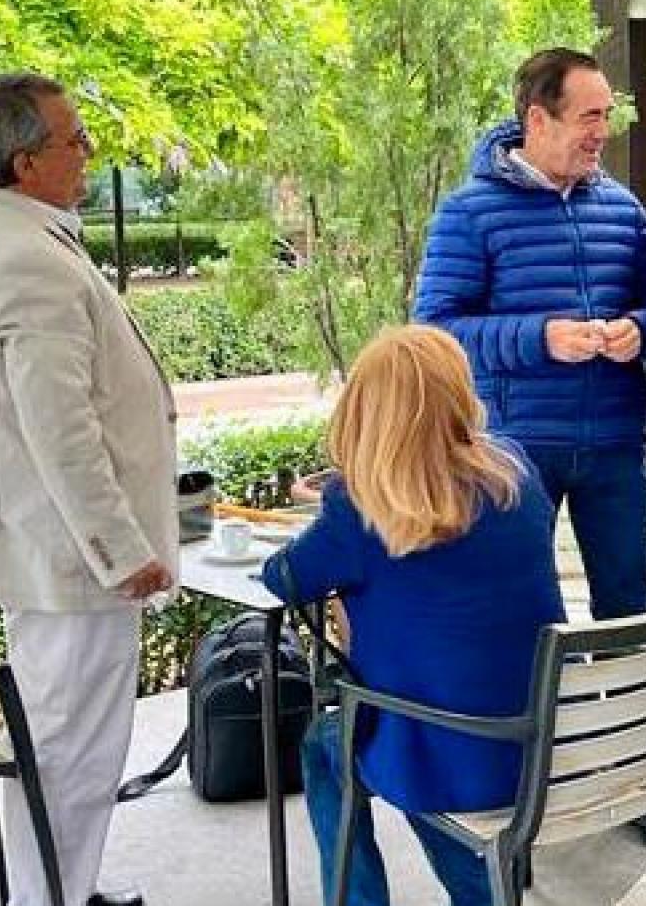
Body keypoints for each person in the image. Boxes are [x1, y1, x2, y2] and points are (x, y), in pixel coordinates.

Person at [412, 47, 646, 847]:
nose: (604, 131)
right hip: (514, 455)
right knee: (523, 620)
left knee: (628, 616)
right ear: (538, 119)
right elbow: (436, 330)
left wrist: (641, 332)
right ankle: (526, 784)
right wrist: (539, 338)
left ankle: (636, 780)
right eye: (590, 116)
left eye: (608, 115)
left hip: (611, 449)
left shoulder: (622, 210)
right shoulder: (469, 212)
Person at [0, 72, 176, 906]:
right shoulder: (25, 258)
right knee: (73, 749)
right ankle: (54, 896)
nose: (88, 153)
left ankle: (63, 887)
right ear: (25, 161)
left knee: (67, 744)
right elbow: (61, 432)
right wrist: (120, 550)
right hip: (70, 558)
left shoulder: (9, 232)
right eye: (74, 139)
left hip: (56, 549)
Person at [262, 326, 565, 906]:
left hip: (450, 754)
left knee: (326, 745)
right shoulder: (516, 473)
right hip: (541, 738)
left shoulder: (359, 508)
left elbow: (285, 579)